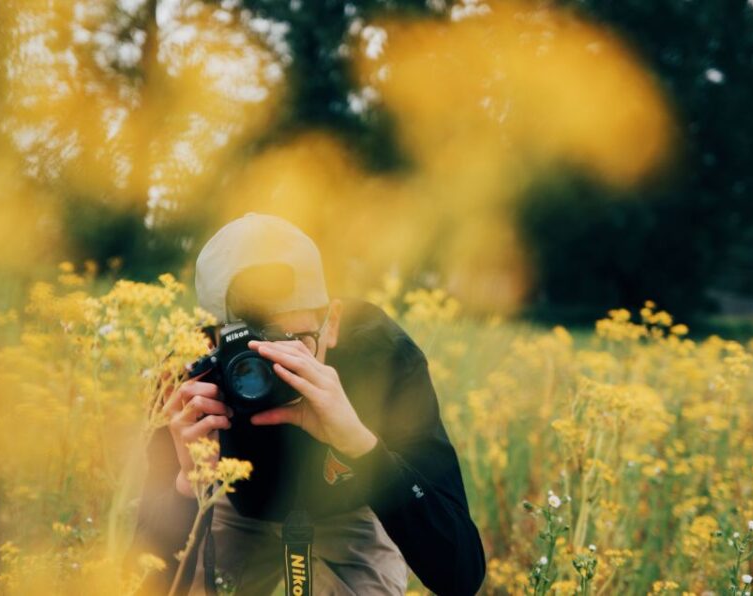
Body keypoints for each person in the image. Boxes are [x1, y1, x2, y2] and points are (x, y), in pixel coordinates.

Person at [128, 213, 486, 595]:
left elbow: (460, 575)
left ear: (331, 323)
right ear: (208, 340)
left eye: (294, 340)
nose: (274, 367)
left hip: (352, 502)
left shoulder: (381, 358)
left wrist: (362, 447)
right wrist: (188, 487)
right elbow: (142, 580)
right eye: (246, 351)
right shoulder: (188, 378)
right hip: (234, 499)